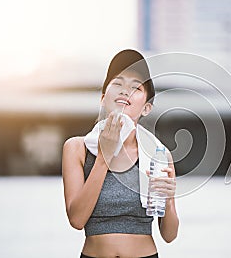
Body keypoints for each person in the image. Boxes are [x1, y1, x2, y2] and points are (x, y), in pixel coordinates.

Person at [62, 49, 179, 258]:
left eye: (136, 87)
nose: (125, 90)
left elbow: (169, 235)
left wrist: (168, 200)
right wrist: (104, 157)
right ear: (103, 97)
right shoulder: (77, 148)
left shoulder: (158, 155)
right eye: (118, 83)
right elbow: (76, 220)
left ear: (146, 107)